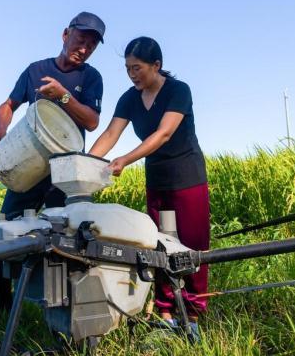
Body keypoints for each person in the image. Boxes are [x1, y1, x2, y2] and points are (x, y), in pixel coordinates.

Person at [88, 36, 210, 327]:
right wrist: (85, 163)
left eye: (138, 68)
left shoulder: (178, 91)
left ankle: (193, 312)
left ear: (157, 65)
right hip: (157, 180)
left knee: (192, 244)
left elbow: (163, 134)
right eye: (128, 69)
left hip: (187, 177)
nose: (132, 75)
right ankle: (166, 310)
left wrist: (124, 160)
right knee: (159, 245)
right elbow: (109, 135)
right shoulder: (130, 98)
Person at [0, 11, 106, 219]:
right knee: (10, 224)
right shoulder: (35, 70)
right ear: (65, 35)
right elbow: (8, 105)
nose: (83, 49)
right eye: (80, 40)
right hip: (28, 162)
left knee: (67, 232)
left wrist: (63, 95)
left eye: (91, 46)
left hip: (66, 173)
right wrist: (1, 128)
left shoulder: (91, 77)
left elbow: (92, 122)